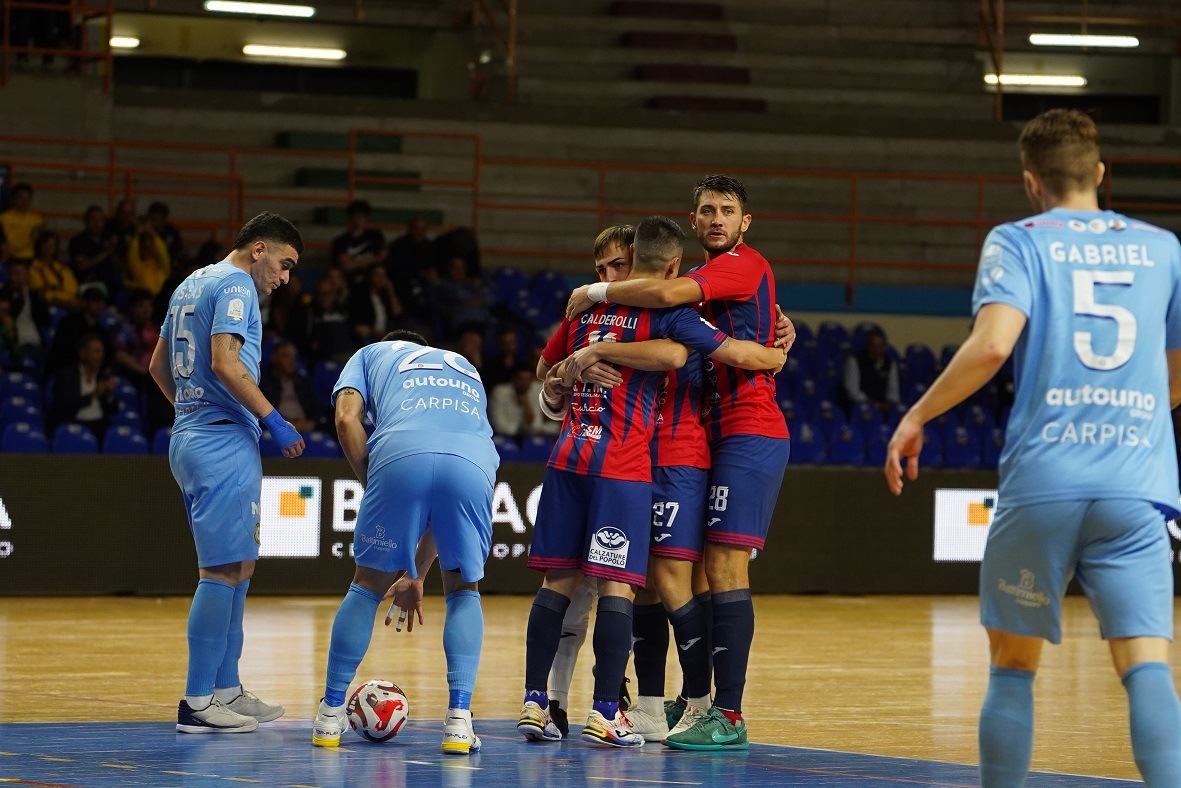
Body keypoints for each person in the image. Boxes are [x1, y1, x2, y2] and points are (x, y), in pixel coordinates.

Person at [885, 109, 1181, 787]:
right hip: (1134, 487)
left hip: (1045, 481)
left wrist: (917, 415)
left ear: (1030, 182)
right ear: (1099, 174)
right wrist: (1142, 415)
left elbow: (991, 345)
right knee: (1145, 669)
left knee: (1012, 670)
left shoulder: (1017, 241)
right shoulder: (1161, 247)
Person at [521, 216, 786, 749]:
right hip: (624, 460)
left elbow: (717, 351)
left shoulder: (656, 310)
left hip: (664, 455)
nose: (612, 277)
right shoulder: (606, 315)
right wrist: (563, 377)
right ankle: (618, 705)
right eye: (601, 270)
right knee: (621, 582)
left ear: (644, 269)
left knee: (659, 579)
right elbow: (546, 374)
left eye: (619, 267)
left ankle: (696, 703)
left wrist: (781, 347)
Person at [148, 212, 306, 734]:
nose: (285, 279)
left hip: (194, 434)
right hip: (221, 439)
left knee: (238, 566)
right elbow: (224, 361)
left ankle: (226, 689)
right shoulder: (237, 285)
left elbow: (157, 367)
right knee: (219, 572)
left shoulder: (191, 282)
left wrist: (190, 412)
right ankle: (197, 702)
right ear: (258, 249)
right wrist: (274, 419)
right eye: (284, 265)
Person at [311, 329, 498, 756]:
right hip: (473, 460)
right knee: (464, 590)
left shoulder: (369, 354)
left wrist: (377, 484)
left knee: (366, 586)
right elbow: (439, 491)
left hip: (401, 452)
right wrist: (417, 573)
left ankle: (329, 715)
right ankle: (458, 722)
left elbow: (345, 419)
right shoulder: (463, 365)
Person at [49, 332, 116, 439]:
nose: (101, 356)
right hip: (75, 424)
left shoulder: (102, 376)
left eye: (102, 352)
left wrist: (108, 395)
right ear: (83, 354)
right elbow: (63, 405)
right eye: (96, 352)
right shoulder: (67, 376)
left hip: (99, 426)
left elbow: (114, 408)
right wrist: (93, 394)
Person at [259, 339, 320, 434]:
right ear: (274, 358)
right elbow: (262, 411)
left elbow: (316, 408)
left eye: (294, 357)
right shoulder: (264, 382)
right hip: (277, 429)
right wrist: (289, 424)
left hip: (305, 427)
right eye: (286, 356)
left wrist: (312, 422)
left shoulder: (303, 381)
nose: (292, 361)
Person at [331, 200, 387, 290]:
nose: (359, 219)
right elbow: (346, 266)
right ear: (350, 217)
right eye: (356, 216)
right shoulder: (340, 241)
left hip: (371, 280)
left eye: (362, 216)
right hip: (348, 281)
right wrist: (372, 259)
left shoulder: (376, 237)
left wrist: (356, 264)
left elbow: (382, 258)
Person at [488, 367, 558, 439]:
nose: (525, 383)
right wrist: (521, 431)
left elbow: (535, 425)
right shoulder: (500, 392)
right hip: (503, 438)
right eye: (521, 379)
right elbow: (499, 426)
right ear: (513, 379)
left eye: (528, 380)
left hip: (527, 438)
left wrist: (526, 403)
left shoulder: (536, 390)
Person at [843, 327, 900, 413]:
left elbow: (893, 391)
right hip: (860, 407)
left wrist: (887, 404)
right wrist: (873, 404)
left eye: (880, 346)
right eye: (874, 346)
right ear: (868, 345)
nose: (877, 350)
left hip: (884, 408)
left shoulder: (889, 363)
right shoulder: (854, 361)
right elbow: (852, 391)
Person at [68, 205, 120, 296]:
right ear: (86, 221)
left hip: (109, 286)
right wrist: (107, 252)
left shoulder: (108, 239)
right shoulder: (78, 241)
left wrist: (113, 250)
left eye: (100, 220)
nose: (97, 223)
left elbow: (119, 267)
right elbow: (82, 265)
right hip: (87, 286)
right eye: (93, 219)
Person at [28, 230, 78, 309]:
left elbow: (72, 289)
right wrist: (61, 298)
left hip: (69, 302)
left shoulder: (62, 267)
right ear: (40, 246)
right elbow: (42, 293)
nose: (49, 248)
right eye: (46, 244)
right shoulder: (33, 268)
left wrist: (65, 298)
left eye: (52, 245)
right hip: (47, 306)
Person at [0, 183, 44, 264]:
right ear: (13, 199)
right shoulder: (3, 219)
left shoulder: (38, 220)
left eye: (27, 198)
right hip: (9, 259)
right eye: (20, 198)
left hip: (31, 259)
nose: (24, 201)